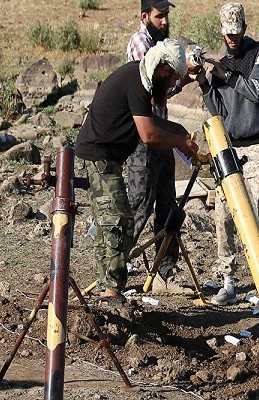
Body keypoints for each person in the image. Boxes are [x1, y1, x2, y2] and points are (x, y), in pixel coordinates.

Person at [75, 39, 199, 306]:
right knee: (118, 220)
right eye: (172, 80)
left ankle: (107, 289)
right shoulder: (136, 82)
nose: (170, 87)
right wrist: (178, 141)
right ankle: (111, 292)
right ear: (163, 70)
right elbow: (148, 134)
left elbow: (148, 120)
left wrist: (176, 130)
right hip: (99, 155)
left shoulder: (140, 77)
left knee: (111, 220)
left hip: (105, 155)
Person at [194, 2, 259, 305]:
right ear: (222, 31)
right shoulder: (221, 65)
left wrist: (227, 74)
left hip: (256, 145)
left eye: (236, 32)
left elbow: (256, 91)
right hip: (230, 148)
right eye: (228, 33)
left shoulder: (256, 53)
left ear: (244, 28)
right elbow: (218, 111)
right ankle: (229, 280)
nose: (232, 38)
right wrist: (205, 82)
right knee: (224, 216)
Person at [126, 0, 198, 295]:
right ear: (145, 16)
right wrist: (183, 76)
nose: (165, 21)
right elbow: (157, 92)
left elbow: (165, 88)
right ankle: (113, 268)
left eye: (166, 15)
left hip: (162, 134)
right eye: (159, 16)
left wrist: (184, 74)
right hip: (145, 136)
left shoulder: (161, 42)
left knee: (167, 203)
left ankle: (164, 273)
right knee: (140, 204)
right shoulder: (141, 44)